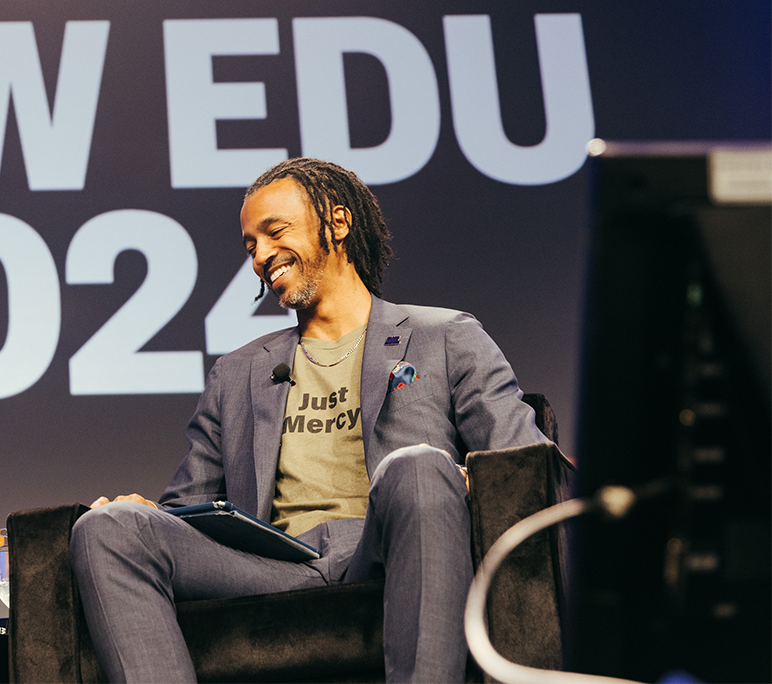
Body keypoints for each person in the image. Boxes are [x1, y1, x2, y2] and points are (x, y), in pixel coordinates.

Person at [70, 158, 552, 684]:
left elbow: (527, 470)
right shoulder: (236, 373)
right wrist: (145, 514)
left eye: (275, 232)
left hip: (382, 547)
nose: (261, 256)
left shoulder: (446, 336)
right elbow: (190, 508)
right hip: (273, 562)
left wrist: (461, 480)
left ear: (337, 223)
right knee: (108, 527)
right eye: (251, 246)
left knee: (416, 466)